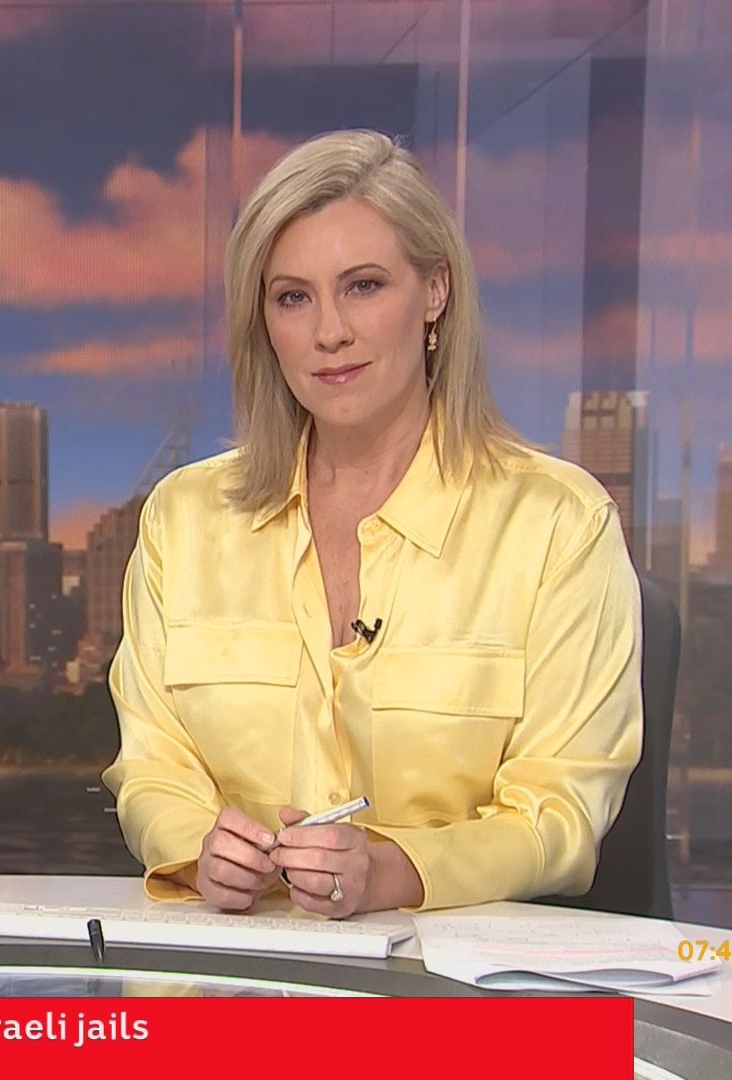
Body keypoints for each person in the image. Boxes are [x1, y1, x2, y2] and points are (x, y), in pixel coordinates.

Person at [102, 130, 642, 916]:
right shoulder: (183, 521)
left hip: (457, 977)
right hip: (239, 965)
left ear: (435, 291)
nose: (329, 332)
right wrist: (197, 851)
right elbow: (153, 769)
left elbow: (560, 811)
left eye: (363, 286)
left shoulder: (558, 525)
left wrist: (397, 873)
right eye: (293, 297)